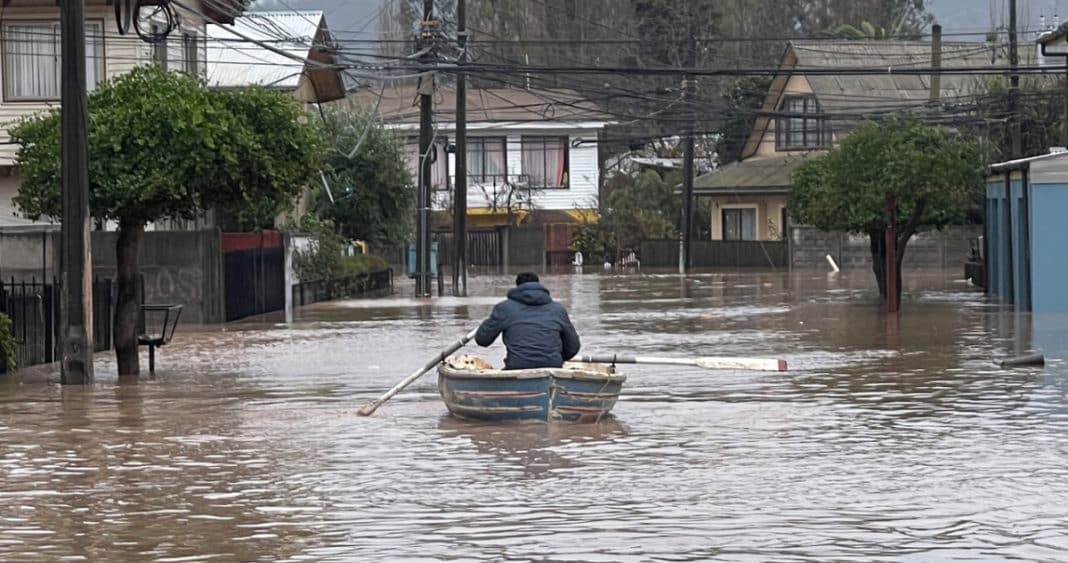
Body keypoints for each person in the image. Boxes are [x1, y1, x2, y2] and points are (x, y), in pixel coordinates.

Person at [475, 272, 581, 370]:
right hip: (553, 367)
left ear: (517, 287)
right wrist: (555, 358)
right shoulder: (558, 309)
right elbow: (573, 347)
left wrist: (489, 321)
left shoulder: (504, 308)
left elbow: (482, 340)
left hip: (517, 368)